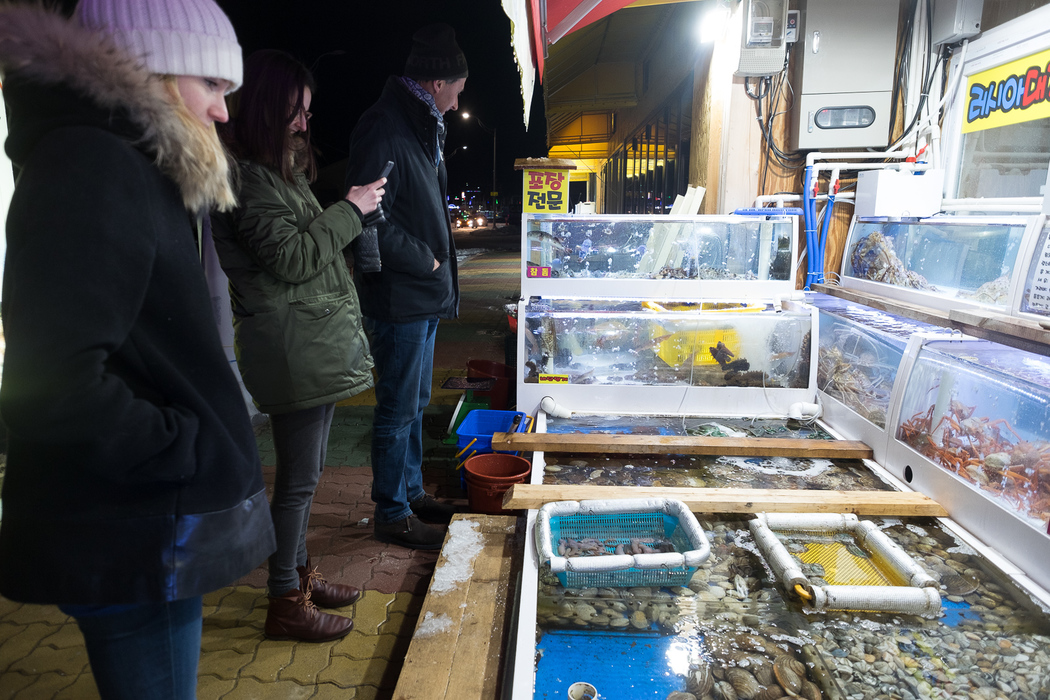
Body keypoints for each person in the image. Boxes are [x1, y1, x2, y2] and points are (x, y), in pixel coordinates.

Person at [0, 1, 275, 698]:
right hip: (134, 525)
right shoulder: (92, 162)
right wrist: (180, 448)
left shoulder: (120, 159)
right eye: (212, 85)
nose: (222, 111)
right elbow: (51, 380)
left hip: (142, 525)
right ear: (152, 69)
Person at [211, 50, 386, 642]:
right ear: (264, 107)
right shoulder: (248, 178)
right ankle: (285, 597)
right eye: (294, 111)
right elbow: (291, 258)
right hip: (293, 345)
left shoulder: (274, 170)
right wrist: (351, 209)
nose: (304, 124)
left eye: (308, 113)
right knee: (298, 481)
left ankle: (299, 576)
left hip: (310, 340)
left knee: (302, 476)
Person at [344, 23, 467, 550]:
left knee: (414, 402)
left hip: (420, 294)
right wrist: (429, 261)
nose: (461, 96)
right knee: (396, 408)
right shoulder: (385, 127)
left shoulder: (419, 125)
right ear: (438, 83)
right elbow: (369, 219)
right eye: (458, 87)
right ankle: (391, 513)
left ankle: (412, 492)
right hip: (400, 296)